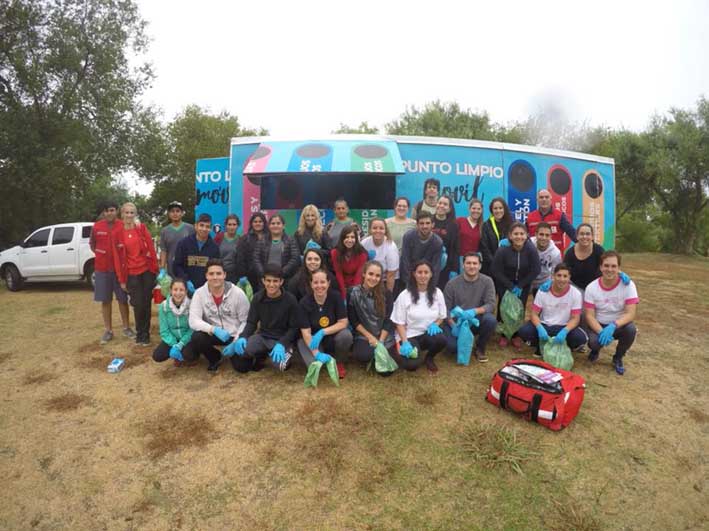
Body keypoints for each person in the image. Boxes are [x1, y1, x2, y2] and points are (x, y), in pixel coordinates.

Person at [231, 264, 300, 373]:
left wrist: (282, 343)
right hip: (263, 337)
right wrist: (243, 336)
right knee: (240, 359)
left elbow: (294, 328)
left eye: (275, 281)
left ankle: (286, 351)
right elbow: (251, 322)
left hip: (282, 339)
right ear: (263, 281)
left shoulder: (290, 300)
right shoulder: (257, 298)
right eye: (268, 280)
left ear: (281, 282)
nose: (271, 284)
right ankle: (261, 354)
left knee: (281, 366)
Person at [188, 258, 250, 372]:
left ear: (224, 275)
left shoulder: (237, 293)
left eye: (218, 273)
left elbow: (246, 321)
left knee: (243, 367)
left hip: (233, 334)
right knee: (197, 337)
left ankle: (233, 352)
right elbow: (193, 320)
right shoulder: (199, 293)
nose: (215, 277)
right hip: (215, 333)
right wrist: (213, 329)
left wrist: (236, 340)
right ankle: (215, 357)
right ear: (206, 275)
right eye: (211, 274)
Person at [583, 251, 639, 375]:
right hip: (598, 324)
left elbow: (631, 313)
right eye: (606, 266)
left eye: (614, 266)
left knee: (631, 330)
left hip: (617, 325)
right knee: (593, 343)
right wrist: (601, 331)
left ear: (619, 268)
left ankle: (618, 357)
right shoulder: (591, 287)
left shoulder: (628, 285)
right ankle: (595, 350)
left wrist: (613, 325)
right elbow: (589, 316)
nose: (610, 269)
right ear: (601, 267)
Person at [113, 202, 159, 346]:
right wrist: (121, 280)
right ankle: (140, 332)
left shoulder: (141, 228)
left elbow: (151, 249)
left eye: (132, 213)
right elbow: (116, 257)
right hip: (131, 273)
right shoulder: (117, 233)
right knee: (137, 304)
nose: (129, 215)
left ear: (135, 214)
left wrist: (155, 269)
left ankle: (145, 335)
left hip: (146, 271)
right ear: (122, 214)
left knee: (146, 303)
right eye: (126, 212)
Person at [517, 263, 587, 357]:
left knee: (580, 338)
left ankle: (563, 347)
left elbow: (575, 318)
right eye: (559, 275)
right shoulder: (543, 291)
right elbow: (534, 314)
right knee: (524, 331)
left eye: (565, 276)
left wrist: (565, 331)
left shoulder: (576, 294)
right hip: (545, 325)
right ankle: (540, 346)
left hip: (563, 327)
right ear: (553, 276)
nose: (562, 279)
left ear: (569, 277)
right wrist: (539, 328)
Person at [390, 260, 448, 373]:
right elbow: (398, 322)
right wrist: (405, 341)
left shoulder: (438, 293)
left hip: (427, 334)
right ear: (414, 274)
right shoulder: (405, 295)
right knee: (411, 366)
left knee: (441, 339)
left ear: (431, 274)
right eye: (419, 272)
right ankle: (399, 350)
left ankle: (429, 357)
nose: (423, 275)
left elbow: (442, 315)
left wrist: (435, 324)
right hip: (409, 335)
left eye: (426, 272)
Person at [492, 222, 541, 349]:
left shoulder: (531, 250)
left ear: (526, 235)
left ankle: (516, 334)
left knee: (520, 309)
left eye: (521, 234)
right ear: (510, 236)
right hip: (505, 283)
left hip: (523, 285)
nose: (519, 236)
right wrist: (509, 286)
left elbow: (536, 270)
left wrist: (520, 285)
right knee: (504, 308)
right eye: (515, 234)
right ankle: (504, 334)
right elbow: (496, 270)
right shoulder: (503, 250)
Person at [90, 200, 133, 344]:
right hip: (102, 269)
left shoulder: (123, 225)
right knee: (105, 300)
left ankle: (126, 328)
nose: (109, 213)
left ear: (117, 211)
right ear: (103, 212)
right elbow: (93, 245)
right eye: (106, 210)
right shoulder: (97, 227)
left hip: (120, 270)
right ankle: (108, 330)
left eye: (112, 210)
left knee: (122, 299)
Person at [297, 269, 353, 379]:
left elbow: (343, 322)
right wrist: (315, 353)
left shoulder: (336, 297)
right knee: (314, 364)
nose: (319, 286)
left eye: (322, 282)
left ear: (328, 283)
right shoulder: (304, 303)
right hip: (313, 341)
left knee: (346, 335)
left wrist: (322, 332)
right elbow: (306, 332)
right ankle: (320, 355)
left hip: (331, 337)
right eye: (315, 282)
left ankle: (339, 362)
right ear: (311, 284)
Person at [442, 252, 497, 363]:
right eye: (468, 263)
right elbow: (445, 309)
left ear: (480, 266)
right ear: (463, 265)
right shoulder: (452, 284)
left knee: (490, 320)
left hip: (475, 320)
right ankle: (458, 340)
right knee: (453, 348)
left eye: (475, 263)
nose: (471, 266)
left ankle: (480, 348)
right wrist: (453, 325)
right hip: (457, 323)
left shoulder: (487, 281)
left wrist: (475, 311)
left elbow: (491, 304)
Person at [347, 261, 395, 371]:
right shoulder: (352, 292)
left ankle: (379, 354)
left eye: (377, 276)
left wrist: (381, 342)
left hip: (383, 335)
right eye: (370, 274)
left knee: (387, 372)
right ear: (364, 274)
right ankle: (371, 356)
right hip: (364, 334)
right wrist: (370, 337)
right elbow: (354, 320)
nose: (373, 278)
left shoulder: (386, 294)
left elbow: (388, 320)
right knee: (363, 356)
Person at [152, 278, 196, 365]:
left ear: (186, 291)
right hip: (173, 338)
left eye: (181, 290)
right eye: (175, 290)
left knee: (189, 355)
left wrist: (181, 344)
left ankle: (193, 356)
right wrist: (174, 344)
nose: (178, 293)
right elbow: (164, 330)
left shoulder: (192, 305)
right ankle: (177, 356)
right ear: (170, 291)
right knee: (157, 356)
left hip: (187, 339)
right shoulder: (163, 306)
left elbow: (192, 328)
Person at [173, 213, 220, 294]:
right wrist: (186, 281)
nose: (204, 229)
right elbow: (176, 266)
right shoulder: (183, 244)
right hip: (185, 290)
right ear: (196, 226)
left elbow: (215, 269)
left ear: (210, 229)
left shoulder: (214, 248)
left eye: (207, 226)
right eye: (201, 225)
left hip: (206, 291)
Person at [400, 211, 444, 288]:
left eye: (427, 223)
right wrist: (409, 283)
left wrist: (430, 286)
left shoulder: (438, 242)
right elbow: (405, 261)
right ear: (417, 225)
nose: (425, 226)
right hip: (410, 278)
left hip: (427, 279)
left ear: (432, 225)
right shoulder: (408, 237)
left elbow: (435, 268)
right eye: (421, 223)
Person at [253, 214, 300, 285]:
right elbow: (256, 258)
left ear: (283, 226)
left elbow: (295, 258)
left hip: (285, 279)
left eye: (278, 223)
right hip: (266, 280)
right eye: (273, 223)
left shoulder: (291, 240)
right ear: (269, 226)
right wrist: (263, 274)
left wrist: (282, 273)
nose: (275, 226)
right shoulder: (262, 240)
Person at [526, 189, 576, 253]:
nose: (544, 199)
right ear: (537, 200)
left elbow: (572, 233)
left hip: (555, 258)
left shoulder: (559, 216)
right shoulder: (530, 217)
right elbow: (523, 237)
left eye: (547, 197)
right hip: (534, 258)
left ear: (550, 199)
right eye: (541, 197)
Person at [360, 218, 399, 292]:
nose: (378, 231)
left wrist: (388, 295)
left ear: (385, 230)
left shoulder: (391, 246)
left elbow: (391, 274)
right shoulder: (364, 243)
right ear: (370, 230)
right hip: (369, 279)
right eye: (374, 228)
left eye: (381, 228)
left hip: (386, 280)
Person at [563, 223, 605, 292]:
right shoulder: (570, 253)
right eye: (581, 234)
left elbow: (608, 267)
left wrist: (619, 274)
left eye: (588, 234)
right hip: (575, 288)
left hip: (596, 288)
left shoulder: (599, 251)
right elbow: (564, 272)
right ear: (577, 236)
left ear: (592, 237)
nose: (584, 236)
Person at [158, 201, 195, 278]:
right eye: (172, 211)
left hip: (187, 267)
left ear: (182, 213)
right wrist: (162, 268)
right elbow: (164, 250)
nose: (175, 213)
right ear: (169, 214)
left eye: (177, 211)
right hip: (171, 268)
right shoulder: (164, 231)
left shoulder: (190, 228)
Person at [330, 225, 368, 299]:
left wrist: (353, 294)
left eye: (352, 237)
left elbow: (358, 275)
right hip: (340, 284)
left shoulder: (362, 254)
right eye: (346, 237)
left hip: (357, 285)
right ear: (342, 238)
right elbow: (338, 273)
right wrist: (343, 294)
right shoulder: (335, 252)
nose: (349, 240)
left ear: (356, 239)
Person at [480, 197, 513, 277]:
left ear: (504, 209)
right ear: (492, 210)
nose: (498, 211)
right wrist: (495, 263)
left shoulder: (512, 224)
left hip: (509, 266)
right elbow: (484, 247)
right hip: (491, 267)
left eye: (500, 208)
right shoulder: (486, 225)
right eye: (495, 208)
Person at [432, 195, 459, 289]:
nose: (441, 206)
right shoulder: (428, 220)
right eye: (440, 203)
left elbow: (455, 249)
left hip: (445, 268)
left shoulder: (453, 225)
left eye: (445, 204)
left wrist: (454, 269)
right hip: (427, 266)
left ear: (450, 208)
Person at [236, 212, 268, 290]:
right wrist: (242, 275)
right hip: (250, 276)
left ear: (264, 223)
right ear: (251, 223)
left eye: (260, 221)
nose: (258, 224)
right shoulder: (244, 239)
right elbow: (240, 258)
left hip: (267, 275)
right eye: (255, 222)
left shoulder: (270, 237)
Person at [531, 222, 562, 293]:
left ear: (551, 237)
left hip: (544, 282)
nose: (544, 238)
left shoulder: (555, 252)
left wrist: (551, 282)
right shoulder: (528, 244)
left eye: (547, 235)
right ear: (536, 234)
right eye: (541, 234)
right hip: (528, 280)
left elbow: (556, 272)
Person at [216, 214, 240, 282]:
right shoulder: (218, 238)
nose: (232, 227)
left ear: (237, 226)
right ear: (226, 226)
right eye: (229, 224)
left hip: (234, 275)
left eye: (234, 224)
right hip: (219, 274)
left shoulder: (241, 240)